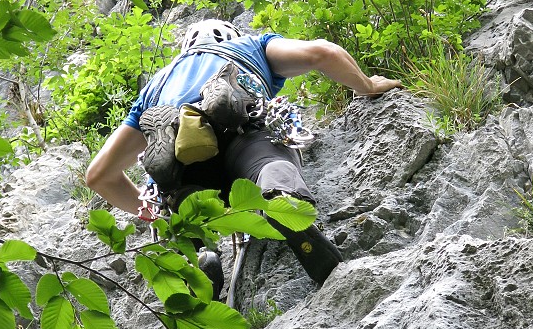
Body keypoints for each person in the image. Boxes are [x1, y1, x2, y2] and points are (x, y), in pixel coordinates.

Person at [85, 19, 401, 287]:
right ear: (232, 35)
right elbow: (323, 53)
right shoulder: (250, 46)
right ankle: (280, 195)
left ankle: (196, 255)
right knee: (268, 162)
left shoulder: (156, 84)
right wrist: (367, 84)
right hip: (243, 125)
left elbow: (99, 176)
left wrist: (150, 211)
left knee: (184, 202)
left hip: (181, 147)